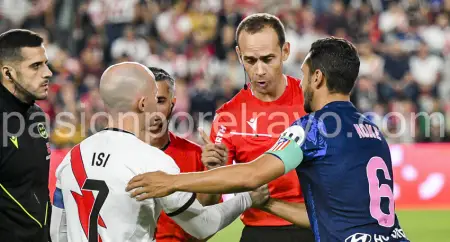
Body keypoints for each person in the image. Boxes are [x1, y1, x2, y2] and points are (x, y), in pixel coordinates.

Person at [126, 37, 410, 242]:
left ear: (318, 78)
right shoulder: (372, 130)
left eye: (305, 75)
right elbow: (328, 216)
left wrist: (171, 181)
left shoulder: (311, 127)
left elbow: (252, 174)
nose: (302, 82)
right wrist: (268, 204)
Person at [50, 62, 267, 242]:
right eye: (155, 97)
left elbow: (57, 234)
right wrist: (247, 199)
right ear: (143, 103)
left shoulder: (71, 158)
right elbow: (203, 226)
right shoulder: (154, 161)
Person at [199, 13, 314, 242]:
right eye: (250, 60)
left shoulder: (312, 102)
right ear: (239, 55)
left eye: (268, 59)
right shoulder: (227, 117)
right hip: (260, 233)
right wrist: (214, 168)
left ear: (286, 52)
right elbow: (206, 202)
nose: (259, 70)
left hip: (314, 228)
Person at [148, 66, 222, 242]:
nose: (152, 110)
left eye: (160, 101)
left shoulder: (195, 155)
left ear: (172, 104)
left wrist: (214, 174)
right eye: (147, 100)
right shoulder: (118, 152)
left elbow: (205, 225)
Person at [0, 29, 53, 242]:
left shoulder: (37, 115)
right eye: (35, 66)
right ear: (7, 73)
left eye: (45, 63)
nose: (48, 72)